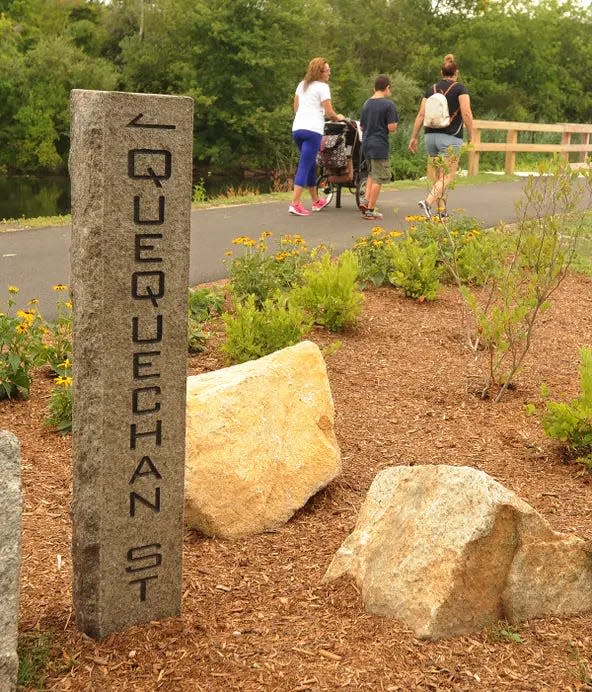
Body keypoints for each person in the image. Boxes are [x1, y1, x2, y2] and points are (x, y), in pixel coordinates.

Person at [408, 53, 474, 219]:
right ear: (456, 72)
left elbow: (421, 115)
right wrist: (471, 135)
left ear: (441, 72)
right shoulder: (460, 89)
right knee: (448, 175)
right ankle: (428, 203)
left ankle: (441, 211)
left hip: (430, 136)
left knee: (439, 176)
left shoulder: (431, 89)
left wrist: (413, 137)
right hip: (450, 137)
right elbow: (466, 113)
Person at [290, 57, 345, 217]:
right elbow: (329, 112)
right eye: (327, 70)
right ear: (320, 72)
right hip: (313, 130)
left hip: (298, 128)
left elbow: (296, 108)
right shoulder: (323, 87)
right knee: (304, 165)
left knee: (310, 165)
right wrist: (338, 118)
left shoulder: (302, 85)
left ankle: (315, 201)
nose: (329, 73)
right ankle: (295, 203)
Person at [359, 74, 399, 221]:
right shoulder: (389, 105)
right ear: (387, 87)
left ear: (374, 88)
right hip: (379, 144)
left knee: (371, 174)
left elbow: (362, 126)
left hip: (366, 143)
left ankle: (365, 201)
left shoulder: (366, 104)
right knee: (379, 178)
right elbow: (392, 127)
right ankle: (370, 210)